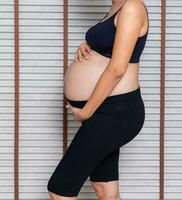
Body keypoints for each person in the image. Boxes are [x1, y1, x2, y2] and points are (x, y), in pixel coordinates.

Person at [47, 0, 149, 199]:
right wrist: (89, 46)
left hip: (115, 112)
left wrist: (85, 112)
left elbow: (117, 69)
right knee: (105, 187)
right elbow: (112, 47)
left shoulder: (132, 6)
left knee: (60, 189)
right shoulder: (116, 6)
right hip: (107, 110)